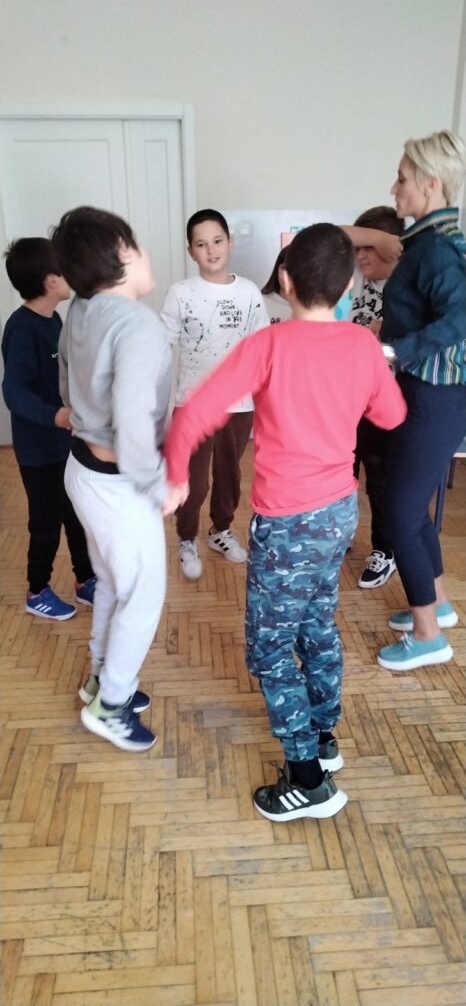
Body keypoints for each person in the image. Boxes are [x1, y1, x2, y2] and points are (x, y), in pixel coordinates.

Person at [165, 223, 406, 822]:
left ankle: (307, 781)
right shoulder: (361, 345)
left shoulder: (266, 346)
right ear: (347, 286)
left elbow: (195, 412)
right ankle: (323, 738)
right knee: (317, 624)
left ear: (286, 281)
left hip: (287, 524)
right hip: (339, 514)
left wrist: (174, 477)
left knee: (271, 647)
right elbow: (392, 415)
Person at [52, 206, 186, 751]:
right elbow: (132, 422)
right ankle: (110, 705)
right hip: (118, 483)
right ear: (123, 253)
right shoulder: (137, 324)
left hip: (83, 472)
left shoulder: (80, 310)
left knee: (112, 582)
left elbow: (66, 385)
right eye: (139, 243)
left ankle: (101, 680)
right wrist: (160, 485)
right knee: (144, 594)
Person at [377, 130, 466, 672]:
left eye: (403, 178)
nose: (395, 187)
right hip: (432, 393)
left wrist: (393, 351)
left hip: (435, 395)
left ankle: (428, 635)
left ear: (431, 184)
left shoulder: (435, 248)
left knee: (401, 510)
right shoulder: (432, 240)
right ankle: (438, 604)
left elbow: (460, 319)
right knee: (412, 505)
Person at [160, 209, 269, 581]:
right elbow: (161, 345)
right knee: (193, 480)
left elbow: (261, 348)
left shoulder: (249, 292)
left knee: (229, 475)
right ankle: (186, 537)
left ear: (230, 242)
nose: (211, 250)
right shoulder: (180, 293)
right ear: (190, 251)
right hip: (192, 405)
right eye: (201, 244)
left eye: (217, 241)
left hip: (239, 405)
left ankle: (220, 529)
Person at [1, 238, 95, 621]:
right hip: (38, 450)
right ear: (49, 280)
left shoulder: (54, 319)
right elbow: (14, 391)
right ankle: (36, 590)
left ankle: (86, 580)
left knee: (76, 513)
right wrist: (55, 415)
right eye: (65, 268)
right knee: (45, 523)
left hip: (64, 444)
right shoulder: (22, 329)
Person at [349, 206, 405, 590]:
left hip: (386, 405)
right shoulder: (360, 284)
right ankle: (341, 533)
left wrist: (378, 340)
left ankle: (385, 549)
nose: (361, 255)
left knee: (380, 480)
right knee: (344, 471)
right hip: (352, 400)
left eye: (370, 247)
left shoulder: (404, 291)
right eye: (359, 247)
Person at [261, 247, 292, 324]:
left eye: (296, 269)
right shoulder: (261, 303)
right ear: (277, 270)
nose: (288, 275)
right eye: (285, 268)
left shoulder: (313, 308)